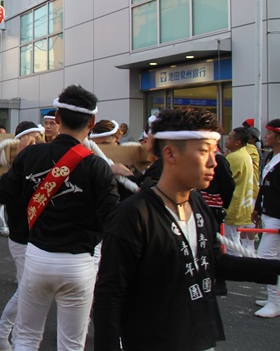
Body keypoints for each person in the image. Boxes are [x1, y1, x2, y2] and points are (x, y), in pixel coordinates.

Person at [94, 108, 280, 350]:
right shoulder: (133, 216)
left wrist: (274, 268)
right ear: (170, 153)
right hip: (153, 340)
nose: (213, 162)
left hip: (198, 334)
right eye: (203, 152)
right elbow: (109, 295)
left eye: (214, 151)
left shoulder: (197, 203)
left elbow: (213, 261)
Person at [0, 85, 120, 350]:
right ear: (92, 122)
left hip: (37, 257)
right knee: (72, 343)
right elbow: (113, 220)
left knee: (26, 337)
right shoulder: (97, 166)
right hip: (79, 264)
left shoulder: (30, 155)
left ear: (58, 118)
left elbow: (0, 196)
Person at [0, 121, 46, 351]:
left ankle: (4, 336)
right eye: (31, 140)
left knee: (29, 290)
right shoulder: (14, 166)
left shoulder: (47, 162)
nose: (36, 144)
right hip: (22, 237)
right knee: (28, 291)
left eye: (39, 139)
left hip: (40, 238)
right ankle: (7, 336)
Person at [252, 118, 280, 318]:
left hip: (278, 217)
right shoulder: (271, 156)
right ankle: (275, 298)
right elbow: (264, 187)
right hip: (269, 213)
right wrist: (257, 208)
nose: (266, 136)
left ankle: (275, 302)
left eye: (270, 133)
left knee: (266, 257)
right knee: (274, 258)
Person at [224, 127, 255, 255]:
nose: (226, 139)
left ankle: (236, 265)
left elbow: (222, 178)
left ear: (237, 142)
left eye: (230, 137)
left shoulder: (234, 157)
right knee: (234, 241)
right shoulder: (244, 154)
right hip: (242, 203)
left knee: (231, 243)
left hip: (233, 204)